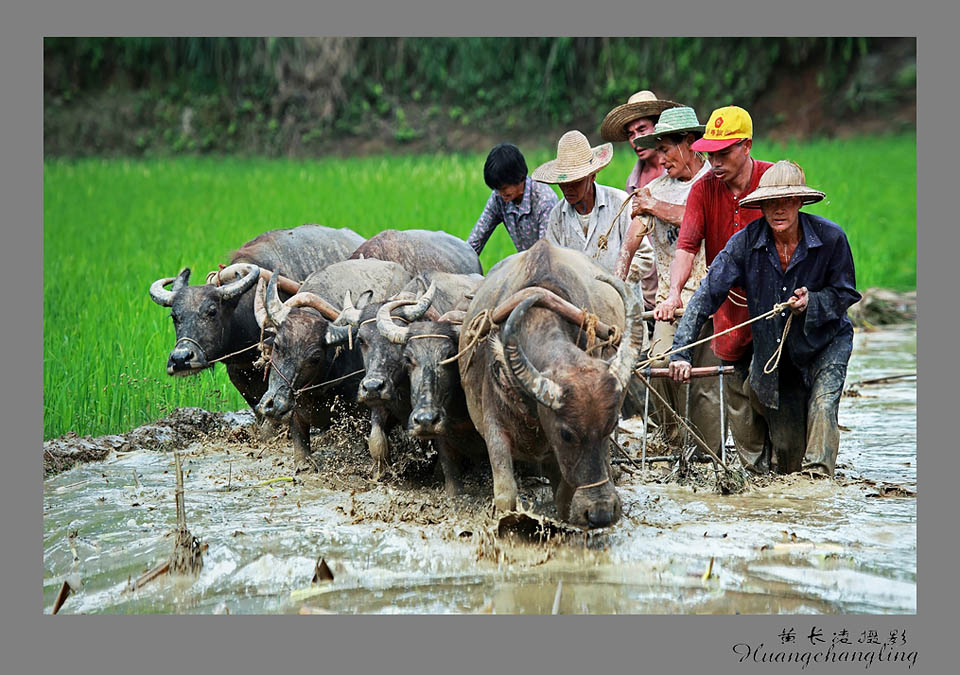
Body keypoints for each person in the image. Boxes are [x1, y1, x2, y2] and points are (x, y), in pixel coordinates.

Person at [668, 161, 860, 477]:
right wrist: (681, 353)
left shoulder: (831, 239)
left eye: (786, 202)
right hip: (778, 353)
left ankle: (818, 485)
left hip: (826, 343)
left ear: (799, 202)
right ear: (761, 206)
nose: (778, 211)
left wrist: (812, 301)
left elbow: (844, 295)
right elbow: (706, 296)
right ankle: (787, 476)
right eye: (770, 203)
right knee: (787, 453)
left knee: (823, 406)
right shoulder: (745, 243)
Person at [658, 105, 774, 471]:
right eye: (711, 153)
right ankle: (750, 472)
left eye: (724, 153)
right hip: (728, 300)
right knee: (738, 392)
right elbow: (686, 247)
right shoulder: (704, 189)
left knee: (773, 391)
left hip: (773, 300)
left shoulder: (772, 181)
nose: (715, 161)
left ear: (747, 146)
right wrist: (675, 292)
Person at [612, 106, 721, 455]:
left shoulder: (712, 184)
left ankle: (707, 453)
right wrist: (617, 277)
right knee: (658, 364)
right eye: (657, 149)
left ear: (689, 143)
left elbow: (695, 222)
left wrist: (654, 206)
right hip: (668, 300)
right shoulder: (655, 188)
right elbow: (634, 235)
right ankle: (673, 440)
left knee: (703, 379)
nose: (660, 158)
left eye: (666, 149)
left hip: (710, 295)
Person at [532, 130, 655, 296]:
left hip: (623, 304)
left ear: (592, 176)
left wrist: (617, 282)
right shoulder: (557, 217)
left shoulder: (619, 203)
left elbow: (644, 256)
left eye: (575, 182)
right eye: (563, 183)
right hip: (577, 309)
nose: (568, 189)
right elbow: (553, 265)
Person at [601, 90, 680, 310]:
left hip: (685, 284)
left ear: (658, 128)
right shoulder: (633, 184)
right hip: (651, 288)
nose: (636, 139)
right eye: (630, 134)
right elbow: (634, 241)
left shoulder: (680, 173)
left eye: (642, 129)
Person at [466, 143, 559, 256]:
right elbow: (476, 239)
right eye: (497, 189)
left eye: (504, 188)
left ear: (519, 177)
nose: (501, 194)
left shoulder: (544, 200)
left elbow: (547, 253)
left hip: (552, 263)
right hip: (527, 262)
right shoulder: (498, 198)